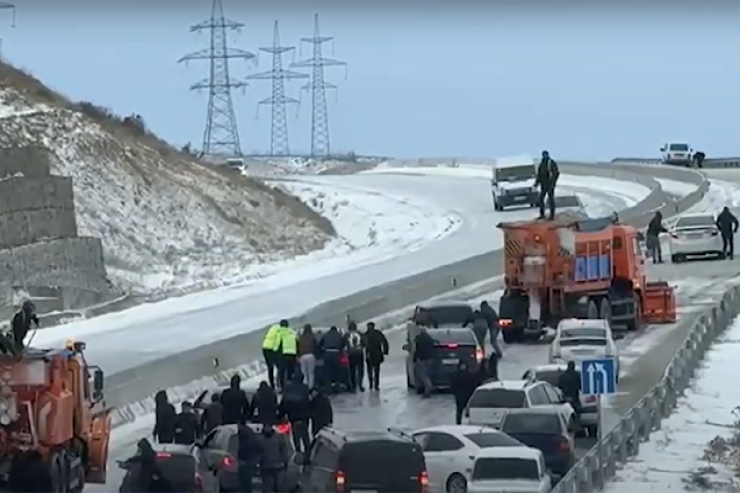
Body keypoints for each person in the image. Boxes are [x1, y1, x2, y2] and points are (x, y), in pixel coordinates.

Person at [279, 373, 311, 453]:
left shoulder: (288, 388)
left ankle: (298, 451)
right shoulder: (305, 388)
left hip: (293, 416)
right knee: (305, 434)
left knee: (295, 434)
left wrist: (281, 413)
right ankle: (308, 451)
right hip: (304, 416)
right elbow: (308, 402)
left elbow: (284, 401)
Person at [258, 425, 289, 493]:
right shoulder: (260, 439)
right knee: (270, 487)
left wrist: (285, 461)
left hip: (275, 466)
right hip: (267, 467)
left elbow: (283, 450)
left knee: (276, 487)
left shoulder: (278, 438)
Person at [535, 150, 560, 220]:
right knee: (540, 199)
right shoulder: (542, 164)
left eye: (546, 155)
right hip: (543, 185)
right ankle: (542, 214)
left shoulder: (551, 163)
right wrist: (536, 183)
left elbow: (556, 173)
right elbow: (539, 175)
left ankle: (552, 216)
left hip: (550, 185)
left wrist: (553, 182)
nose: (545, 156)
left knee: (551, 200)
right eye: (543, 155)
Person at [236, 423, 261, 493]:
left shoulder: (243, 433)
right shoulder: (251, 433)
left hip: (246, 460)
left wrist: (240, 456)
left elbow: (243, 446)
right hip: (253, 460)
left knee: (244, 482)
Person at [364, 322, 389, 391]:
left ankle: (371, 383)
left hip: (369, 354)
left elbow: (362, 344)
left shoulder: (366, 335)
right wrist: (385, 351)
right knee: (377, 370)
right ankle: (376, 385)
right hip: (377, 354)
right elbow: (384, 341)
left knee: (369, 370)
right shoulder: (378, 333)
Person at [318, 326, 345, 391]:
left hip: (327, 353)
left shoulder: (325, 335)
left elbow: (320, 345)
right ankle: (337, 385)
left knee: (328, 371)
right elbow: (343, 345)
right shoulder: (339, 336)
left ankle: (328, 387)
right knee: (337, 371)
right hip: (336, 354)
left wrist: (321, 352)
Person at [413, 327, 435, 398]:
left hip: (422, 359)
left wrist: (415, 359)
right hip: (430, 359)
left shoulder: (419, 338)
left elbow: (417, 349)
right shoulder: (429, 338)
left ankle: (429, 387)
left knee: (423, 375)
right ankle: (427, 390)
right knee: (428, 374)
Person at [345, 322, 365, 392]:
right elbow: (365, 342)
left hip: (351, 354)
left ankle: (353, 387)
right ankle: (360, 385)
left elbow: (342, 344)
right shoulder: (359, 333)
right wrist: (362, 347)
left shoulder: (347, 335)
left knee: (352, 371)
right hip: (359, 353)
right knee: (360, 370)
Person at [262, 322, 283, 389]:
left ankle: (272, 386)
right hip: (272, 349)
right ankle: (279, 384)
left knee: (270, 368)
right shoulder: (281, 330)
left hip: (265, 348)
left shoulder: (274, 327)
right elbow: (277, 341)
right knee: (279, 366)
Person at [278, 321, 298, 389]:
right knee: (291, 371)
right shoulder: (293, 332)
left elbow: (277, 344)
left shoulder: (280, 332)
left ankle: (282, 387)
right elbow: (297, 342)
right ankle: (292, 386)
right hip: (292, 354)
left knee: (281, 372)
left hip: (284, 354)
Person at [297, 324, 318, 390]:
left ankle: (305, 388)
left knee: (304, 374)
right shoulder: (312, 337)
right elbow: (316, 347)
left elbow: (297, 347)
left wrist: (298, 356)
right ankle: (310, 388)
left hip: (302, 356)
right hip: (311, 356)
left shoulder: (301, 338)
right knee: (311, 373)